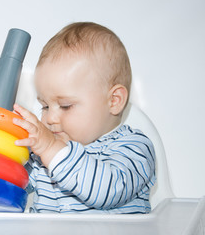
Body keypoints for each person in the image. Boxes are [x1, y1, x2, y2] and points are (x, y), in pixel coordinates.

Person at [13, 22, 156, 214]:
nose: (50, 118)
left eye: (65, 106)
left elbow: (108, 192)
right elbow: (11, 183)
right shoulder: (41, 155)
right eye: (45, 106)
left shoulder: (134, 147)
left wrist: (50, 148)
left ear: (114, 100)